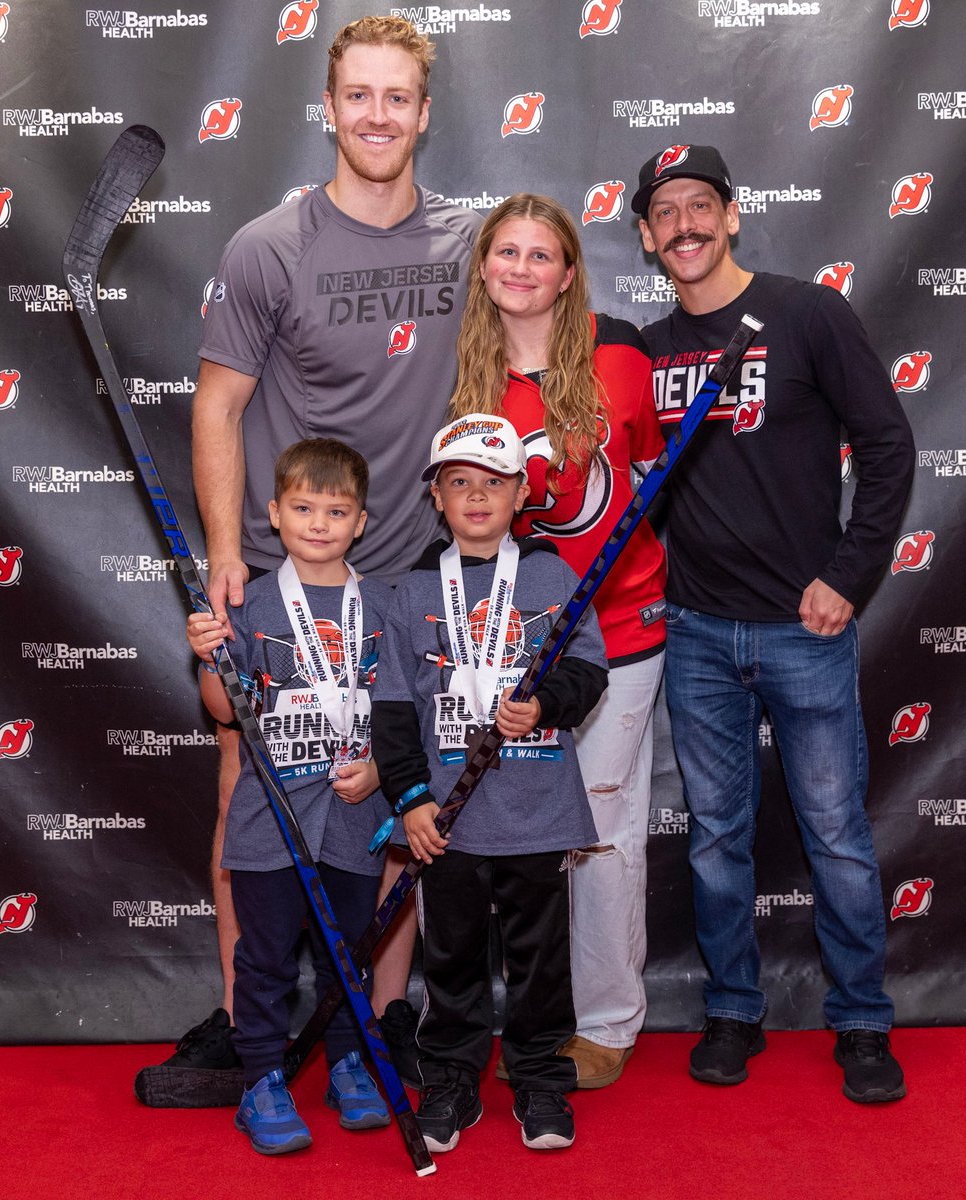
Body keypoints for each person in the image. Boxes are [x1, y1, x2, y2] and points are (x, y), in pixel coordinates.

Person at [140, 15, 481, 1102]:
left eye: (399, 97)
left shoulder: (467, 245)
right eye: (360, 95)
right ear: (330, 108)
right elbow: (219, 404)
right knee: (252, 781)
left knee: (383, 800)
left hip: (408, 575)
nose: (378, 115)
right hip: (286, 573)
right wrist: (223, 558)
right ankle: (256, 1033)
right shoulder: (268, 245)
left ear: (426, 114)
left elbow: (536, 332)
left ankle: (369, 1026)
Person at [632, 144, 915, 1102]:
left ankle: (864, 1023)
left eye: (700, 205)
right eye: (664, 212)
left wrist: (849, 574)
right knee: (716, 836)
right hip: (697, 633)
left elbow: (886, 444)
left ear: (734, 215)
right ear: (644, 235)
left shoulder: (805, 313)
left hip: (807, 631)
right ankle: (732, 1010)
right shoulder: (651, 349)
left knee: (835, 833)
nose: (685, 225)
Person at [447, 195, 665, 1088]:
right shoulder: (462, 373)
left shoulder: (621, 359)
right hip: (500, 649)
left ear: (570, 273)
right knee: (491, 840)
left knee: (605, 829)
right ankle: (494, 1023)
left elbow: (649, 471)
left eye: (543, 255)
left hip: (618, 631)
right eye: (508, 252)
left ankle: (608, 1022)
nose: (523, 268)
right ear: (485, 267)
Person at [370, 414, 608, 1152]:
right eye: (459, 483)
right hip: (451, 819)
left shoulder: (551, 574)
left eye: (493, 484)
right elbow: (394, 708)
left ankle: (539, 1078)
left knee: (540, 961)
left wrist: (545, 703)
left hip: (536, 809)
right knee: (452, 957)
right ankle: (450, 1078)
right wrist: (411, 800)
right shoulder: (410, 590)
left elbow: (588, 667)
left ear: (519, 494)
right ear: (436, 498)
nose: (476, 497)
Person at [186, 438, 395, 1154]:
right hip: (268, 817)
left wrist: (380, 773)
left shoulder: (383, 605)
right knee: (267, 956)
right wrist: (210, 654)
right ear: (274, 513)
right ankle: (262, 1082)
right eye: (303, 507)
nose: (318, 523)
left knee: (347, 955)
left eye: (335, 511)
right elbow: (222, 710)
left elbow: (398, 710)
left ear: (360, 521)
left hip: (354, 814)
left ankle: (346, 1062)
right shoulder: (250, 603)